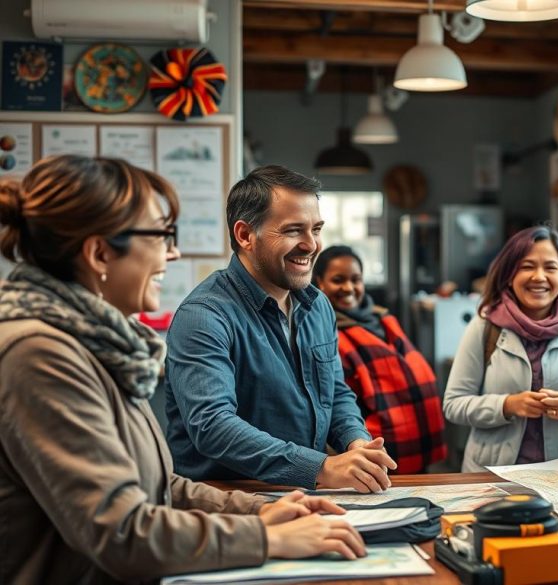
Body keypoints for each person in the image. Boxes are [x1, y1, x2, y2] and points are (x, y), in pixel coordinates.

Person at [0, 156, 366, 584]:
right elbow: (122, 533)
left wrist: (264, 512)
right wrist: (267, 538)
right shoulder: (41, 355)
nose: (173, 252)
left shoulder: (99, 345)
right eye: (160, 236)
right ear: (100, 252)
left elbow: (158, 487)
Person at [164, 165, 396, 490]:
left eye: (316, 229)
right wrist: (323, 468)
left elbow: (334, 391)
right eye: (292, 231)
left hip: (302, 494)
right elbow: (213, 426)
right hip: (226, 506)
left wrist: (356, 443)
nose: (312, 245)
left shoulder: (318, 306)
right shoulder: (203, 315)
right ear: (245, 235)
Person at [443, 226, 558, 471]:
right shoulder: (484, 326)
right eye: (527, 266)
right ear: (510, 273)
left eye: (550, 267)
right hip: (491, 477)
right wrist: (508, 405)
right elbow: (453, 404)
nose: (539, 277)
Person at [313, 245, 446, 474]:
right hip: (377, 455)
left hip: (419, 451)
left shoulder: (382, 318)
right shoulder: (322, 332)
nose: (349, 288)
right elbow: (337, 402)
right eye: (338, 280)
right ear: (319, 282)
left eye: (356, 279)